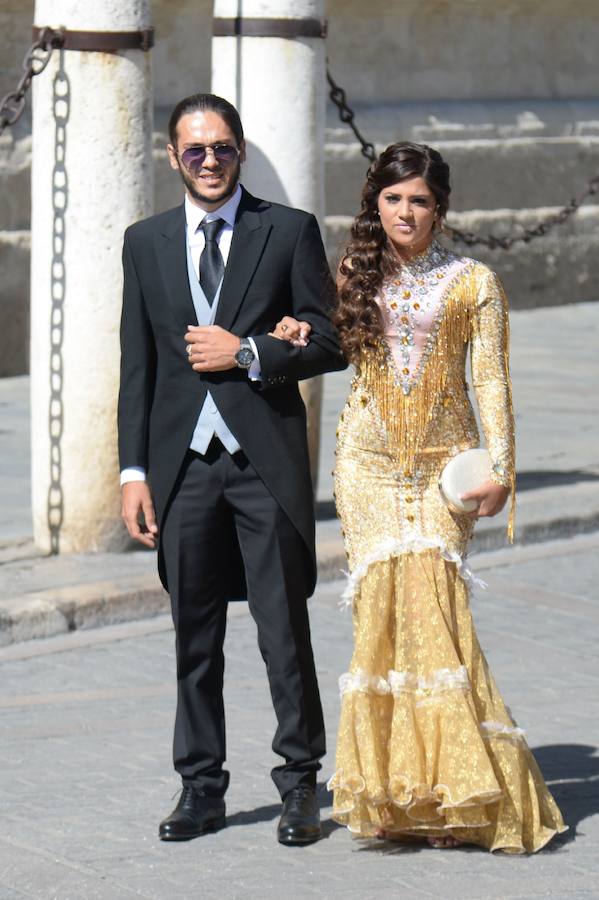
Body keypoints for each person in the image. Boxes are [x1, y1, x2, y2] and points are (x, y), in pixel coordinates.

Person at [272, 142, 566, 852]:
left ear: (440, 210)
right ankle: (395, 800)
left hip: (443, 470)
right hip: (365, 465)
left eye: (420, 201)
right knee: (380, 618)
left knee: (435, 612)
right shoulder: (349, 273)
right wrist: (292, 329)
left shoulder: (473, 282)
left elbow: (490, 381)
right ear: (375, 202)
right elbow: (322, 342)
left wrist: (500, 469)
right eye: (394, 198)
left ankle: (460, 794)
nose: (406, 212)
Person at [118, 92, 346, 846]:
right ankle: (200, 787)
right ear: (173, 158)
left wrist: (250, 352)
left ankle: (299, 783)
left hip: (264, 465)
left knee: (284, 633)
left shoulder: (286, 231)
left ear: (240, 151)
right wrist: (132, 473)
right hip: (181, 470)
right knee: (194, 638)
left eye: (221, 148)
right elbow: (138, 367)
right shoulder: (145, 242)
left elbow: (328, 338)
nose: (209, 162)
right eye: (194, 151)